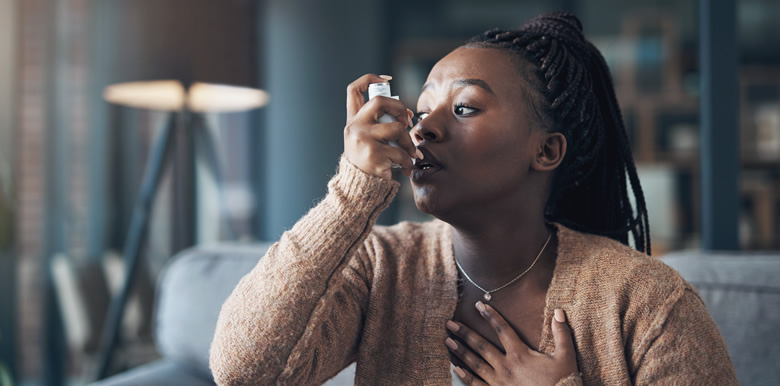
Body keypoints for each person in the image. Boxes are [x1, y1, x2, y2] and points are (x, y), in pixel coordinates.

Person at [210, 13, 737, 385]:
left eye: (464, 108)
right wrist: (352, 192)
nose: (423, 129)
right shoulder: (382, 268)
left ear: (546, 150)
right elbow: (243, 369)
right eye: (423, 108)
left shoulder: (647, 304)